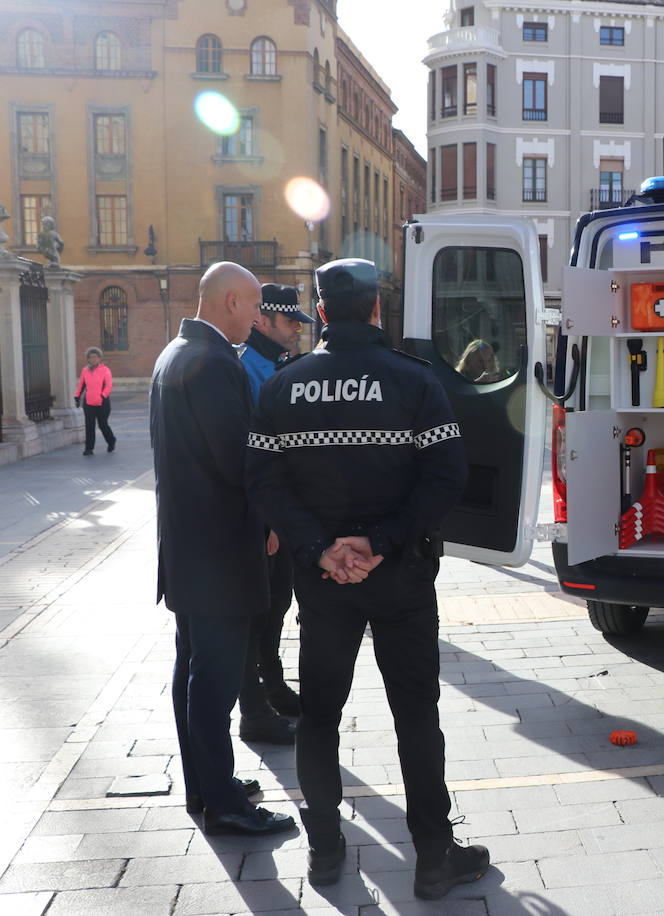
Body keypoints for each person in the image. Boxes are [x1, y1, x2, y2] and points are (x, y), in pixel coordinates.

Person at [246, 258, 489, 897]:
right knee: (416, 713)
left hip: (323, 584)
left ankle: (325, 851)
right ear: (377, 310)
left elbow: (262, 481)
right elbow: (447, 477)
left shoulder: (283, 385)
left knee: (321, 715)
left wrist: (322, 549)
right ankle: (434, 859)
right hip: (401, 576)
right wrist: (379, 543)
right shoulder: (415, 382)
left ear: (321, 312)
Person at [150, 261, 296, 837]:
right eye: (255, 306)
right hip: (217, 552)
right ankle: (224, 805)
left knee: (194, 671)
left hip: (190, 547)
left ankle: (207, 787)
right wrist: (273, 517)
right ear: (232, 301)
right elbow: (241, 459)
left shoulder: (175, 353)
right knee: (212, 679)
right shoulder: (213, 363)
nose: (258, 318)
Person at [234, 283, 314, 742]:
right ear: (261, 320)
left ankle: (273, 687)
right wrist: (266, 520)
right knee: (257, 612)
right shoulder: (247, 369)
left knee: (277, 605)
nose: (295, 333)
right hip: (266, 517)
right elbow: (252, 452)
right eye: (288, 324)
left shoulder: (277, 365)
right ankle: (254, 707)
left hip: (284, 514)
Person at [74, 347, 116, 456]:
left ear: (99, 358)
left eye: (95, 357)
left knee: (102, 425)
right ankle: (89, 448)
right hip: (88, 403)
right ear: (87, 359)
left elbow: (108, 385)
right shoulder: (85, 370)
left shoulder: (105, 370)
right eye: (90, 357)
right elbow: (81, 385)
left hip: (103, 403)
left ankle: (111, 441)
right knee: (89, 425)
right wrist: (77, 397)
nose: (93, 359)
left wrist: (103, 396)